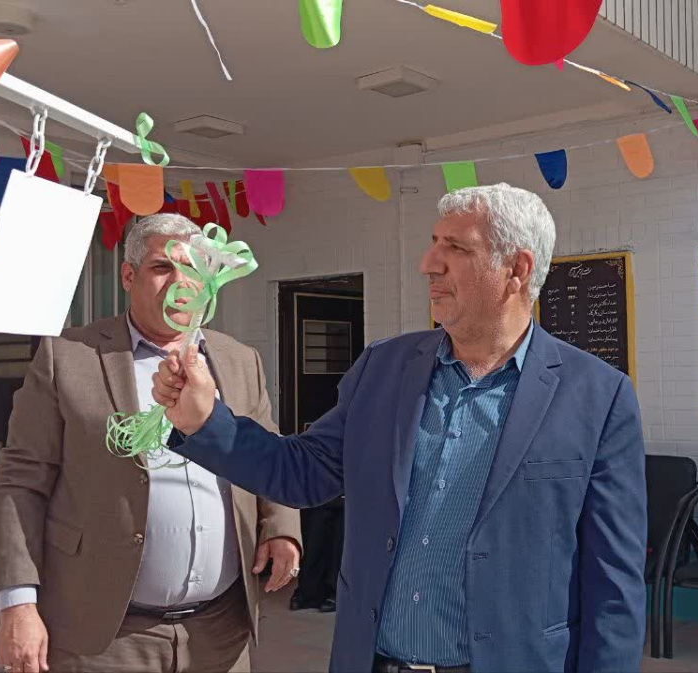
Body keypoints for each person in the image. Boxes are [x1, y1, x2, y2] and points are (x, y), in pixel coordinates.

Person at [152, 183, 647, 673]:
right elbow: (302, 472)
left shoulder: (598, 396)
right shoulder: (383, 368)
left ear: (516, 269)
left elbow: (614, 586)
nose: (428, 264)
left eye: (456, 248)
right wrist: (206, 421)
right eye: (434, 243)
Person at [0, 213, 301, 673]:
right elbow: (21, 482)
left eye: (193, 267)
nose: (180, 282)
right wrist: (18, 602)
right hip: (105, 636)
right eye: (162, 268)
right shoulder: (69, 357)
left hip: (220, 632)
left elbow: (267, 451)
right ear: (128, 276)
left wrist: (280, 525)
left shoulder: (239, 359)